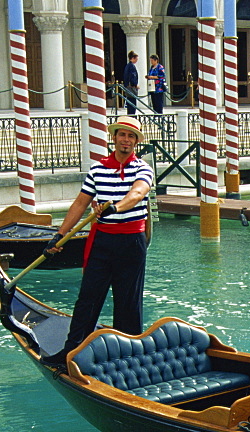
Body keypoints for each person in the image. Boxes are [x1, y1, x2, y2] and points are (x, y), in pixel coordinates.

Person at [39, 116, 154, 366]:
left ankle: (129, 357)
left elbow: (137, 193)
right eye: (122, 135)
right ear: (114, 138)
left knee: (128, 303)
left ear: (135, 142)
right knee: (88, 299)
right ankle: (71, 353)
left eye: (131, 136)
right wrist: (59, 236)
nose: (126, 140)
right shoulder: (97, 169)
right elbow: (80, 203)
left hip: (131, 243)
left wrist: (117, 207)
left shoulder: (143, 169)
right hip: (102, 242)